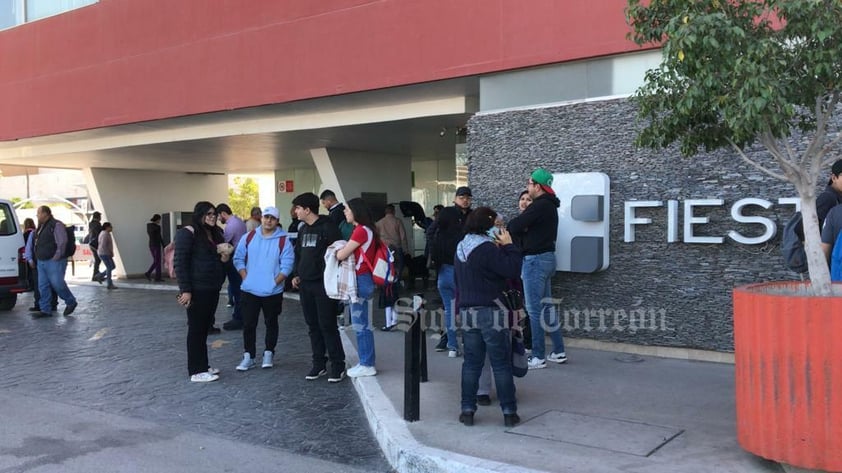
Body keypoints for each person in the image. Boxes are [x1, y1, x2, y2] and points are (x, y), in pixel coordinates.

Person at [454, 206, 522, 427]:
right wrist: (510, 246)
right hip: (491, 310)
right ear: (488, 225)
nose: (500, 229)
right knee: (500, 363)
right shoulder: (486, 249)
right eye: (497, 225)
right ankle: (509, 412)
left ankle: (467, 410)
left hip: (467, 311)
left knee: (471, 363)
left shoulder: (460, 248)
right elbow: (511, 269)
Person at [507, 168, 566, 369]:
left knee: (534, 310)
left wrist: (522, 227)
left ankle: (538, 356)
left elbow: (514, 226)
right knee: (548, 308)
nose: (527, 187)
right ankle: (558, 351)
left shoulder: (539, 206)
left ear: (537, 186)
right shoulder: (550, 206)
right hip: (548, 259)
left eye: (529, 184)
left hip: (534, 261)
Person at [290, 192, 346, 382]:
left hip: (324, 285)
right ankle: (319, 363)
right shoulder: (303, 229)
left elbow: (339, 255)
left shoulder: (328, 228)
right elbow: (299, 253)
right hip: (305, 285)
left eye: (297, 208)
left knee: (327, 325)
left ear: (307, 209)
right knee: (312, 325)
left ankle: (338, 365)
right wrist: (297, 274)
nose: (295, 211)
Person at [233, 206, 294, 371]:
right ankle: (249, 356)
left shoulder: (283, 240)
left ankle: (269, 352)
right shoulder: (249, 237)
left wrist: (274, 282)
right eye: (266, 217)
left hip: (272, 292)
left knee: (271, 322)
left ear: (277, 221)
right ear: (261, 218)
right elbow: (238, 258)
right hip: (249, 290)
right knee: (248, 324)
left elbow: (287, 265)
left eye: (272, 218)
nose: (268, 220)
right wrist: (247, 277)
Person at [174, 201, 229, 383]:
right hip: (197, 288)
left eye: (214, 214)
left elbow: (219, 261)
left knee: (205, 328)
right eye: (208, 214)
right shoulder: (187, 233)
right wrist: (186, 290)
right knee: (196, 329)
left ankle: (204, 365)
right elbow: (180, 263)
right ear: (199, 215)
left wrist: (224, 257)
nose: (213, 216)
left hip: (212, 287)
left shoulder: (214, 233)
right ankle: (196, 370)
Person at [335, 198, 379, 377]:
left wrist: (336, 251)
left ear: (355, 211)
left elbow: (341, 255)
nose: (344, 212)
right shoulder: (367, 230)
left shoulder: (360, 231)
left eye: (346, 209)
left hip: (360, 279)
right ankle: (366, 362)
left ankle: (367, 364)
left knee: (361, 324)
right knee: (363, 323)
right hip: (365, 279)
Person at [428, 187, 473, 356]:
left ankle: (455, 345)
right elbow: (431, 232)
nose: (465, 200)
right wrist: (435, 254)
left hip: (462, 267)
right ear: (455, 198)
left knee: (457, 308)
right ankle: (454, 345)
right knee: (456, 308)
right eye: (462, 197)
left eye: (468, 197)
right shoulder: (447, 213)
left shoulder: (472, 216)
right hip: (448, 266)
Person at [32, 206, 77, 318]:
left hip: (54, 261)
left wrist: (57, 256)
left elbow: (62, 242)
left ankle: (70, 301)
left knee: (58, 284)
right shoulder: (41, 226)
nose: (37, 215)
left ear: (45, 213)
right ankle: (45, 309)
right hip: (42, 261)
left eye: (39, 213)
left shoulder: (56, 225)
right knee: (43, 286)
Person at [376, 203, 409, 331]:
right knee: (395, 280)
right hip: (397, 250)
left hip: (384, 252)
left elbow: (377, 238)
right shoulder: (397, 221)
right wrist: (406, 251)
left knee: (386, 282)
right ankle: (394, 317)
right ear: (393, 211)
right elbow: (403, 237)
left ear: (385, 212)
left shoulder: (379, 223)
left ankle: (389, 320)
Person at [217, 203, 248, 331]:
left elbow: (224, 244)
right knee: (239, 289)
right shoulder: (239, 221)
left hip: (235, 259)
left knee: (236, 289)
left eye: (219, 216)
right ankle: (240, 317)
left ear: (223, 213)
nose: (218, 219)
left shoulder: (230, 226)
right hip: (242, 258)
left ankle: (239, 318)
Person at [23, 218, 57, 312]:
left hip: (38, 262)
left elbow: (28, 248)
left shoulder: (33, 233)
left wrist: (30, 260)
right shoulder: (37, 233)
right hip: (48, 262)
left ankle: (41, 304)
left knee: (40, 284)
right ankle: (50, 304)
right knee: (48, 284)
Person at [95, 222, 117, 289]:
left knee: (112, 266)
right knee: (109, 267)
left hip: (104, 253)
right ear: (107, 227)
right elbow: (103, 245)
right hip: (105, 253)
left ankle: (100, 275)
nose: (112, 228)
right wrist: (109, 252)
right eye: (111, 227)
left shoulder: (104, 233)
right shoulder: (105, 234)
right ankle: (109, 284)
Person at [144, 214, 164, 282]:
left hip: (151, 245)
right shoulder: (157, 227)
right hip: (156, 245)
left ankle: (157, 277)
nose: (159, 221)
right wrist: (163, 245)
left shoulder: (148, 226)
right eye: (159, 220)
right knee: (157, 261)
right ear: (157, 219)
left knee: (157, 261)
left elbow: (151, 234)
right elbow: (159, 237)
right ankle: (149, 273)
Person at [87, 211, 103, 281]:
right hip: (95, 244)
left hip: (91, 243)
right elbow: (99, 233)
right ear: (98, 217)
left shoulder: (91, 224)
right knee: (98, 260)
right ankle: (95, 276)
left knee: (97, 260)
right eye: (100, 217)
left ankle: (96, 274)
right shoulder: (97, 224)